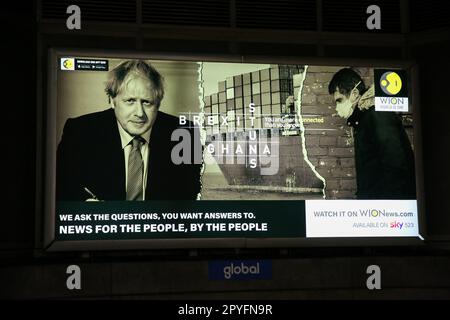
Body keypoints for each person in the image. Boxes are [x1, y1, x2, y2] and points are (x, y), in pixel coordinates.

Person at [56, 60, 201, 201]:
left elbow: (193, 197)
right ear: (112, 101)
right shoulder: (80, 132)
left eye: (147, 102)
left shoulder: (186, 134)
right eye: (130, 101)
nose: (139, 113)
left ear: (158, 104)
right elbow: (60, 190)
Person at [328, 68, 416, 199]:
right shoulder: (364, 117)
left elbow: (396, 164)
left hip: (387, 207)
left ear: (355, 93)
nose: (337, 107)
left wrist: (393, 209)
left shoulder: (377, 115)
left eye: (339, 100)